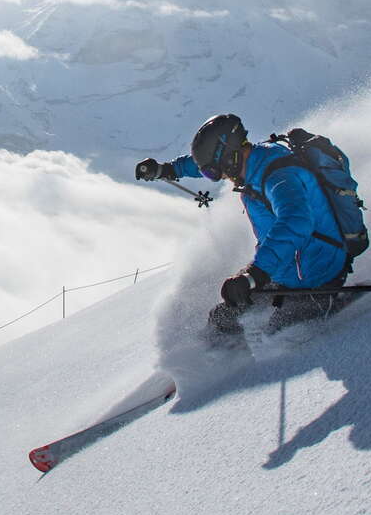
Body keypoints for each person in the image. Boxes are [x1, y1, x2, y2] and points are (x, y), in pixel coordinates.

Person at [136, 113, 354, 343]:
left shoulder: (279, 178)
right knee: (222, 318)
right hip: (286, 267)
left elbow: (296, 222)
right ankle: (213, 360)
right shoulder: (255, 160)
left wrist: (255, 275)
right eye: (210, 173)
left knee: (278, 335)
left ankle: (324, 306)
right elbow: (198, 164)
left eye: (212, 172)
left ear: (229, 158)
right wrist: (166, 170)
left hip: (315, 273)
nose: (216, 177)